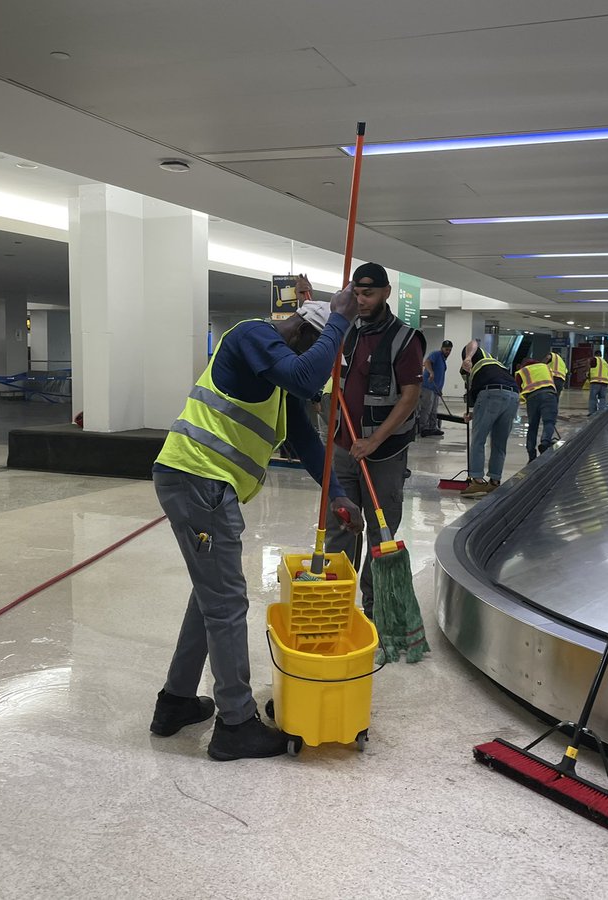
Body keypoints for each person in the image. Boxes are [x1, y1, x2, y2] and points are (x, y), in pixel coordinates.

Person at [151, 277, 364, 761]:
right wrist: (341, 319)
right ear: (304, 337)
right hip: (197, 480)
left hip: (203, 484)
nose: (323, 378)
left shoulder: (277, 376)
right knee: (227, 603)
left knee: (210, 596)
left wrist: (337, 495)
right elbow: (306, 377)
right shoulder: (251, 336)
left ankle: (176, 702)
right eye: (323, 357)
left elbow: (307, 441)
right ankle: (236, 724)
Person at [326, 263, 424, 620]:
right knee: (340, 525)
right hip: (343, 447)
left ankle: (375, 609)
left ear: (385, 293)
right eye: (356, 294)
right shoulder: (345, 331)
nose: (361, 300)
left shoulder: (404, 338)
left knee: (381, 532)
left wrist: (373, 440)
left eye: (368, 293)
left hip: (384, 453)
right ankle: (336, 603)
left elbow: (410, 397)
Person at [460, 341, 520, 498]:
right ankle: (495, 481)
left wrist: (467, 358)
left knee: (478, 440)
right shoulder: (496, 365)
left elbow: (473, 342)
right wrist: (473, 413)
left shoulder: (475, 359)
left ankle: (477, 482)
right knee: (500, 443)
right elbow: (479, 397)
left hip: (490, 394)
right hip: (513, 396)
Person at [516, 353, 559, 462]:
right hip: (549, 394)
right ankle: (545, 443)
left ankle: (531, 454)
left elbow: (517, 389)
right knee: (549, 422)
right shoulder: (545, 367)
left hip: (532, 398)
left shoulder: (521, 372)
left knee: (532, 426)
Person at [417, 339, 453, 437]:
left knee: (434, 410)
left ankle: (433, 428)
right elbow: (427, 362)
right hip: (428, 387)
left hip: (436, 389)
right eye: (446, 349)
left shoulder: (443, 359)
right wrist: (431, 372)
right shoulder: (436, 354)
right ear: (442, 348)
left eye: (449, 350)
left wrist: (440, 389)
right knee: (426, 408)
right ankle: (423, 428)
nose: (448, 352)